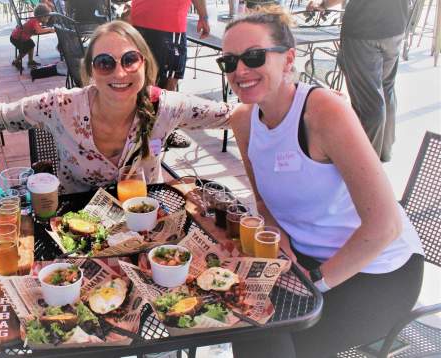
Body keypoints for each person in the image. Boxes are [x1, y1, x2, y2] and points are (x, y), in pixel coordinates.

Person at [220, 7, 424, 357]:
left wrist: (313, 282)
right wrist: (281, 248)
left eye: (253, 57)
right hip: (303, 259)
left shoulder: (323, 112)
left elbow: (384, 227)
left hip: (377, 271)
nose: (240, 70)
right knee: (242, 315)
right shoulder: (244, 121)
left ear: (288, 60)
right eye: (229, 61)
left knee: (269, 338)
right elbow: (265, 206)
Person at [0, 20, 231, 193]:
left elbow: (233, 115)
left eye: (130, 60)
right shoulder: (61, 106)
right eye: (104, 63)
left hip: (146, 224)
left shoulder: (166, 106)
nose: (120, 73)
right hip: (75, 231)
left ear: (144, 63)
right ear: (91, 71)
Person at [307, 0, 409, 162]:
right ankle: (383, 151)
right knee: (386, 88)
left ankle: (366, 165)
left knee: (369, 103)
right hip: (396, 26)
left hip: (364, 30)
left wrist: (324, 5)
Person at [131, 0, 210, 148]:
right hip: (168, 21)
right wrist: (204, 17)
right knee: (168, 81)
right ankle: (162, 133)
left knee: (141, 77)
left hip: (140, 19)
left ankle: (139, 131)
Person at [10, 4, 54, 73]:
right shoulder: (34, 21)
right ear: (42, 17)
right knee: (25, 49)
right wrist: (50, 30)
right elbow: (39, 31)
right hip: (17, 38)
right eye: (47, 18)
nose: (48, 19)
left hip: (20, 37)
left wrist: (45, 28)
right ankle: (16, 61)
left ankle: (30, 61)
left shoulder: (35, 20)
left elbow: (37, 29)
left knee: (31, 44)